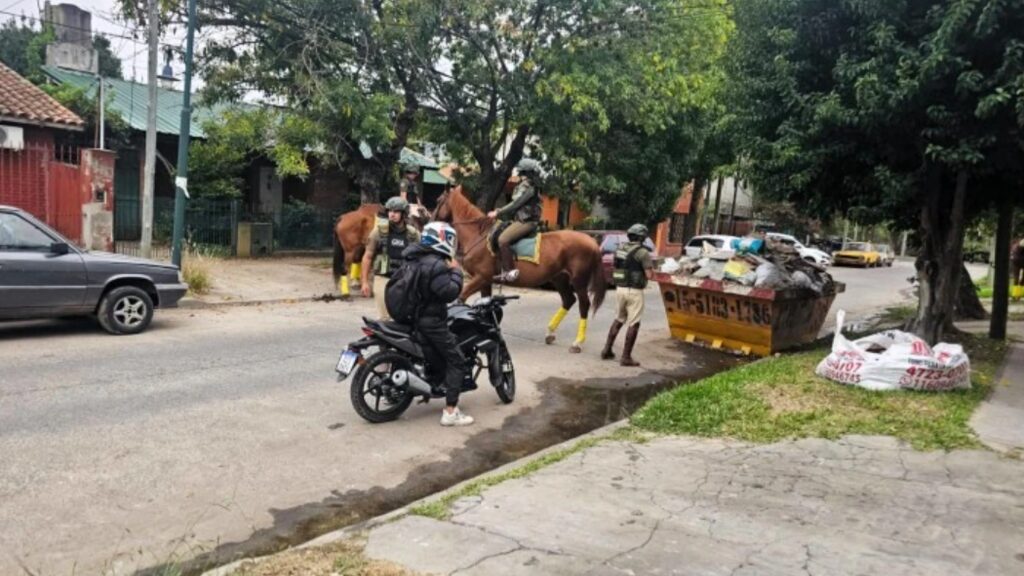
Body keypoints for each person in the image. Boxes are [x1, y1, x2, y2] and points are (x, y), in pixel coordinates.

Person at [402, 221, 474, 426]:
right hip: (431, 321)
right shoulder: (436, 264)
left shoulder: (414, 257)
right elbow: (449, 292)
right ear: (442, 239)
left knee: (435, 356)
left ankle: (434, 383)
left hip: (414, 317)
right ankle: (451, 412)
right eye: (450, 239)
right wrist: (456, 272)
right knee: (457, 360)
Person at [601, 224, 654, 367]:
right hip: (634, 291)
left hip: (620, 289)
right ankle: (626, 357)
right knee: (634, 323)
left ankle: (607, 350)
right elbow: (649, 275)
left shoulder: (620, 249)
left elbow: (617, 266)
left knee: (618, 319)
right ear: (642, 237)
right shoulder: (642, 252)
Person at [361, 197, 421, 319]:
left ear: (404, 213)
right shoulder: (378, 232)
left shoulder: (414, 234)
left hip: (405, 280)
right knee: (384, 318)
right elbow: (367, 256)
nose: (392, 214)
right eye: (390, 211)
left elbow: (421, 258)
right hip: (383, 278)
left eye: (396, 211)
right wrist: (364, 282)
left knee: (403, 317)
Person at [487, 158, 543, 283]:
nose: (518, 173)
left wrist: (498, 212)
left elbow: (515, 203)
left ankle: (510, 271)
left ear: (525, 172)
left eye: (520, 171)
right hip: (522, 219)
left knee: (502, 239)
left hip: (527, 221)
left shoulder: (528, 186)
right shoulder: (528, 185)